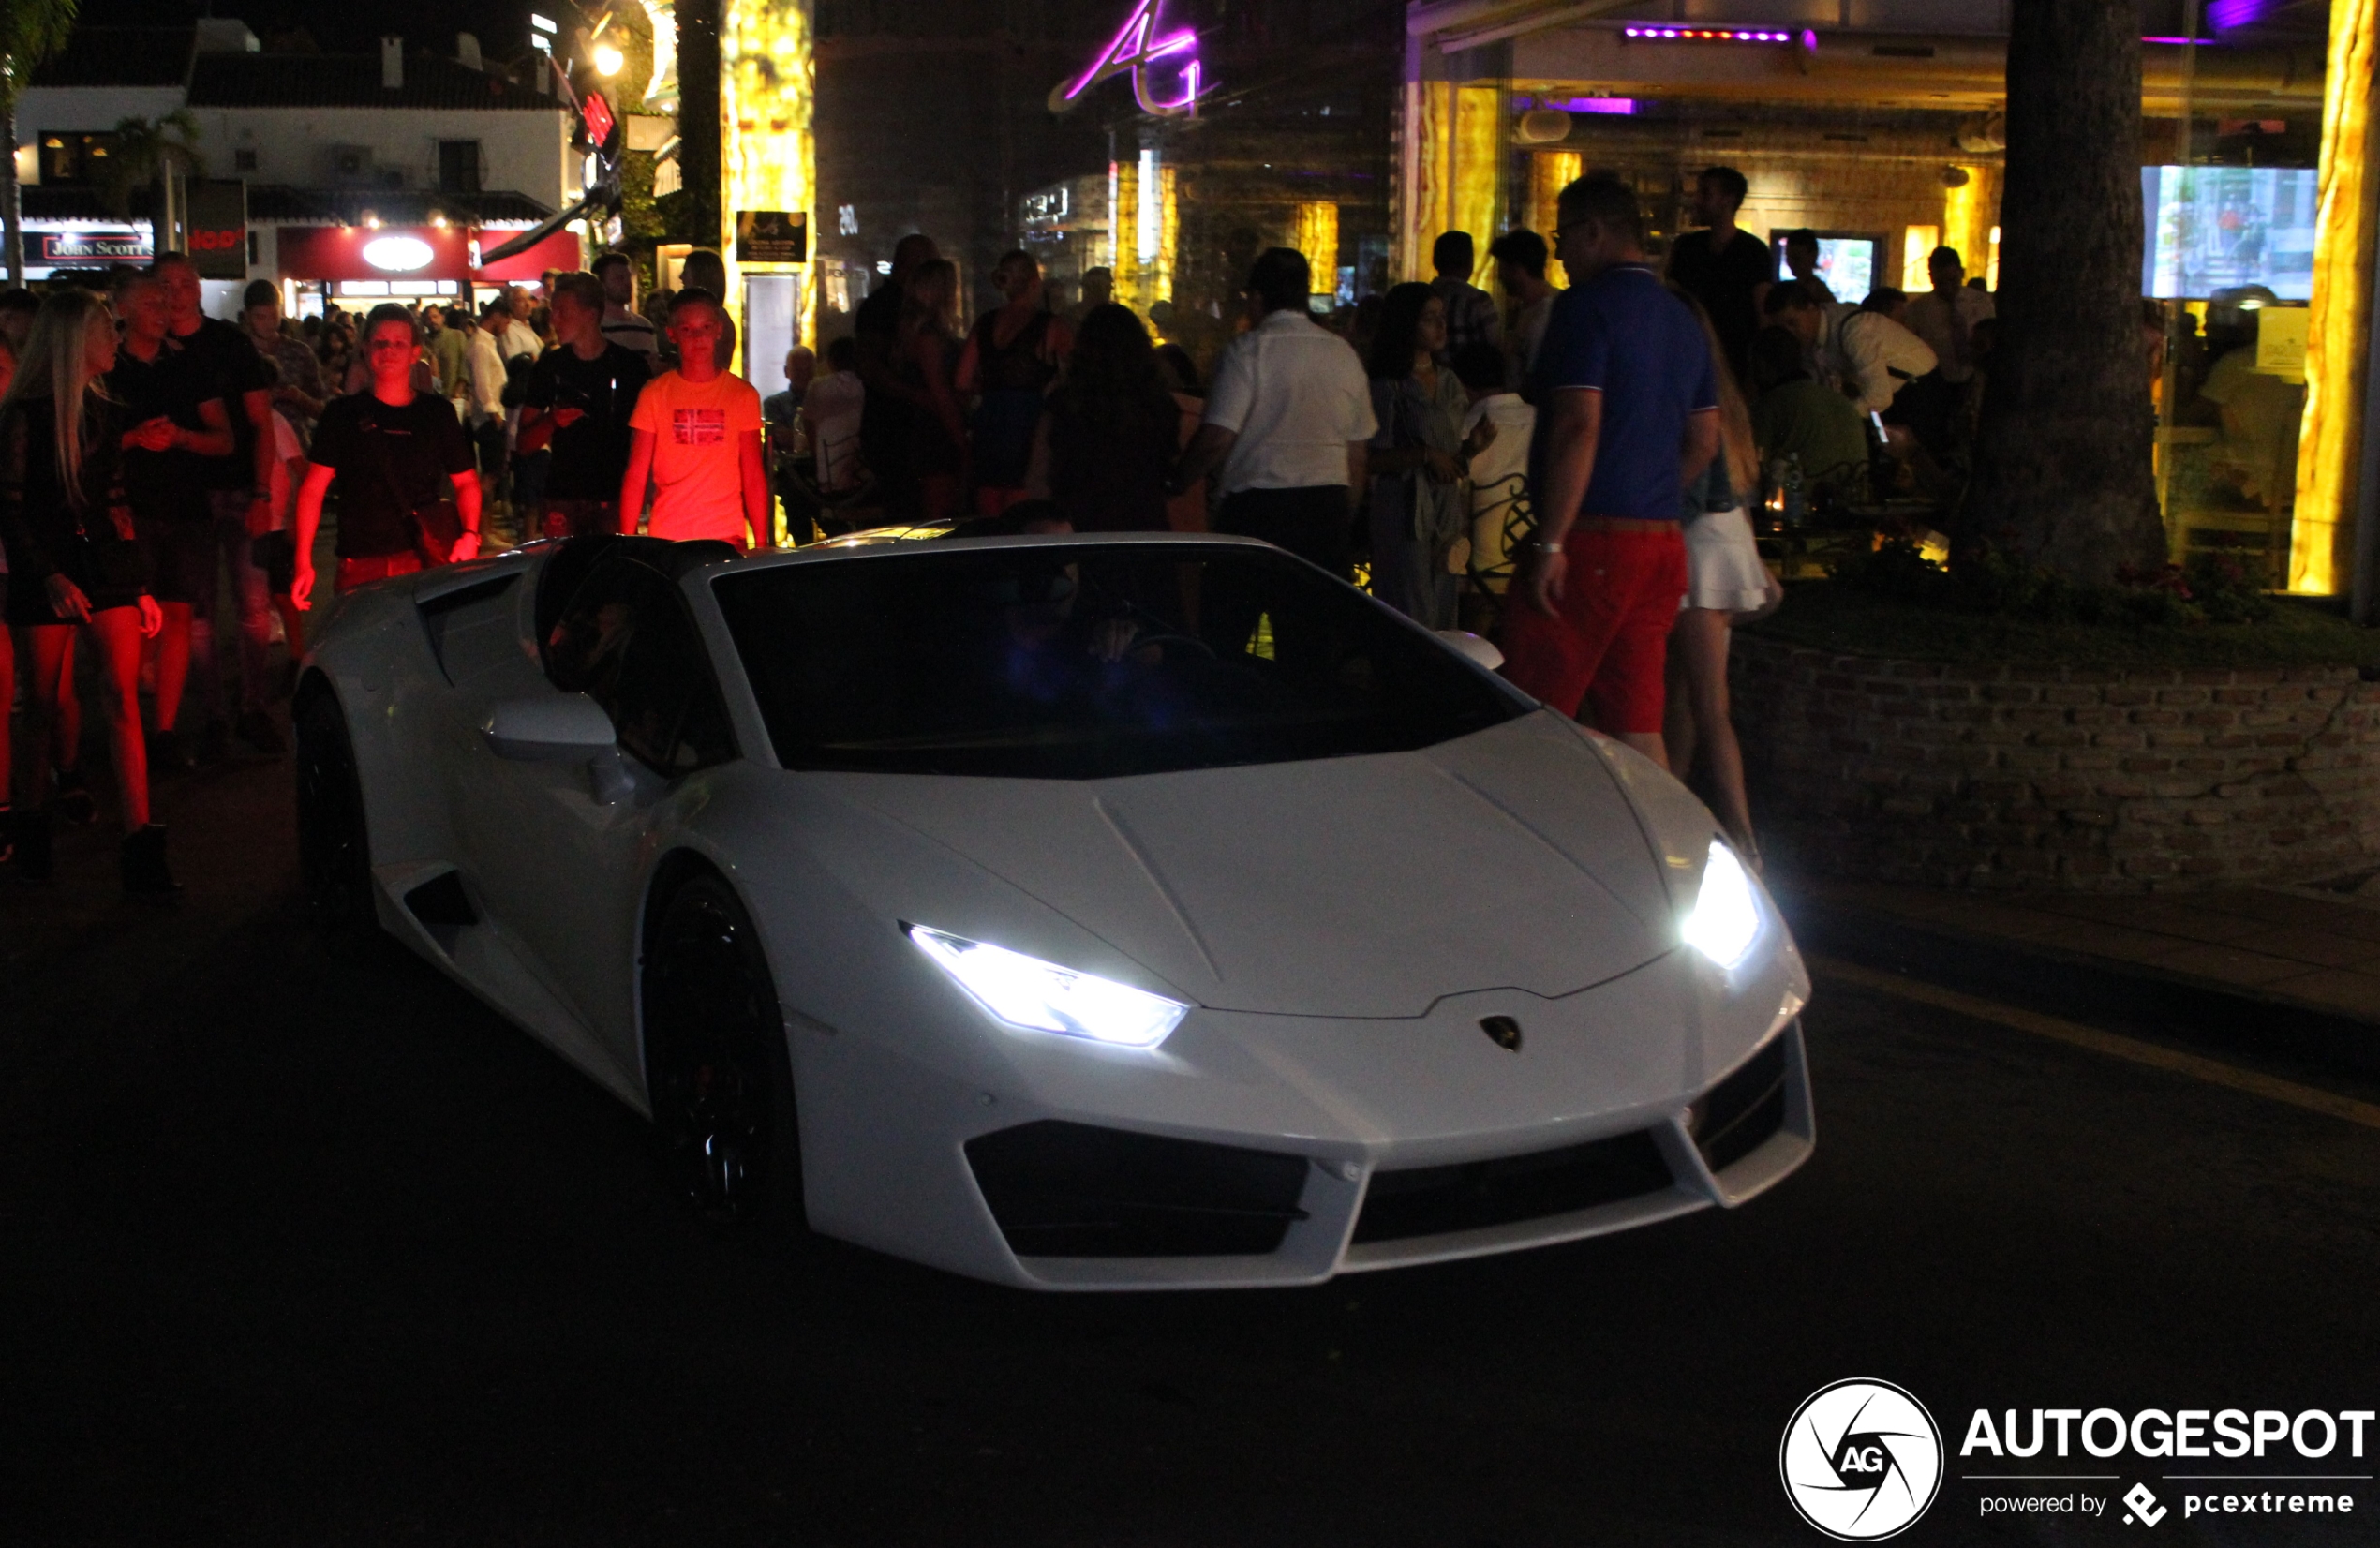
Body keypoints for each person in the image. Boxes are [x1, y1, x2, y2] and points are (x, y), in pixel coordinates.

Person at [1501, 173, 1718, 770]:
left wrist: (1551, 540)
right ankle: (1658, 851)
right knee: (1637, 722)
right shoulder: (1682, 319)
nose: (1560, 254)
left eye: (1562, 236)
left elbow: (1578, 425)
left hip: (1591, 539)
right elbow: (1704, 439)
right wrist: (1650, 487)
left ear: (1594, 232)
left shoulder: (1584, 309)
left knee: (1529, 712)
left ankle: (1529, 851)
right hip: (1660, 542)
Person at [0, 289, 172, 889]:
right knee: (39, 702)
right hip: (47, 566)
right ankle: (30, 830)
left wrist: (137, 583)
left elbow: (115, 500)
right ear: (77, 341)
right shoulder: (25, 416)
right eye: (107, 329)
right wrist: (46, 574)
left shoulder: (103, 409)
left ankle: (141, 844)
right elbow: (12, 506)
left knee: (122, 696)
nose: (117, 338)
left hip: (104, 566)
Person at [1169, 248, 1375, 655]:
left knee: (1223, 642)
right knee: (1311, 651)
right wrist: (1341, 517)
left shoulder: (1248, 352)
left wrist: (1177, 481)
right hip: (1325, 512)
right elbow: (1357, 454)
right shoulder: (1343, 355)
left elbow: (1216, 438)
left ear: (1257, 298)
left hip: (1257, 514)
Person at [1666, 301, 1777, 867]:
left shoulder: (1685, 386)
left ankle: (1742, 837)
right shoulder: (1727, 396)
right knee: (1691, 695)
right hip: (1728, 543)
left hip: (1701, 547)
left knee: (1705, 702)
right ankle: (1677, 812)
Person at [157, 251, 281, 759]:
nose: (177, 291)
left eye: (185, 281)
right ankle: (213, 714)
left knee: (253, 606)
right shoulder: (146, 351)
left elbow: (261, 424)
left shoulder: (229, 345)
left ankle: (251, 707)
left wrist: (262, 491)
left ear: (197, 286)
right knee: (198, 612)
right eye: (165, 284)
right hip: (181, 500)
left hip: (234, 489)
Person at [112, 268, 235, 775]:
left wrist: (181, 438)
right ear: (120, 308)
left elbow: (224, 438)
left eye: (166, 303)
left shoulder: (188, 368)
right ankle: (128, 725)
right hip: (126, 508)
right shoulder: (104, 367)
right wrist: (133, 438)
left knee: (180, 614)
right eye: (150, 304)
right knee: (130, 622)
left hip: (184, 505)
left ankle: (161, 730)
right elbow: (83, 448)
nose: (163, 313)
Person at [292, 304, 483, 606]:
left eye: (399, 343)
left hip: (422, 557)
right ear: (366, 349)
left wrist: (470, 534)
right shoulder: (342, 415)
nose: (389, 351)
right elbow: (313, 489)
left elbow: (466, 482)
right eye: (381, 343)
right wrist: (303, 559)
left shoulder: (437, 414)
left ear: (414, 352)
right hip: (359, 561)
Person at [1364, 282, 1487, 629]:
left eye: (1442, 318)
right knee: (1410, 604)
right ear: (1407, 325)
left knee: (1444, 596)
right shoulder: (1389, 385)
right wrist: (1422, 454)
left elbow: (1451, 460)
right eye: (1429, 319)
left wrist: (1470, 449)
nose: (1441, 327)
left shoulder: (1449, 382)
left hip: (1445, 506)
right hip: (1404, 508)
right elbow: (1370, 458)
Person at [617, 288, 769, 547]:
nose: (698, 337)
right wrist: (626, 541)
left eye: (706, 327)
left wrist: (762, 543)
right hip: (667, 538)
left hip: (727, 537)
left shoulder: (742, 395)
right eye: (687, 329)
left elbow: (753, 473)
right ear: (672, 334)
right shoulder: (655, 394)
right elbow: (636, 473)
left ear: (718, 330)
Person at [517, 271, 651, 540]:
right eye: (553, 312)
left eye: (562, 312)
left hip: (614, 493)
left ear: (590, 314)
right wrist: (552, 421)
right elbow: (523, 443)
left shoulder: (629, 368)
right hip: (564, 494)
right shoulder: (550, 367)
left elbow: (648, 437)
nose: (553, 320)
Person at [1032, 303, 1179, 533]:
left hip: (1083, 530)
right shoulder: (1160, 405)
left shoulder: (1066, 403)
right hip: (1147, 530)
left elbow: (1037, 476)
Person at [957, 250, 1069, 515]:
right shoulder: (1050, 326)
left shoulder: (984, 324)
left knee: (990, 512)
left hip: (990, 424)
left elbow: (961, 381)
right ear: (1034, 282)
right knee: (1023, 514)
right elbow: (1077, 376)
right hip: (1030, 426)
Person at [855, 233, 939, 520]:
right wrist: (921, 397)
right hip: (894, 426)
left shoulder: (892, 305)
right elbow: (871, 367)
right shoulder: (883, 308)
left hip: (899, 424)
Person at [1665, 166, 1773, 380]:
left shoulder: (1753, 252)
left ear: (1727, 199)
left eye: (1705, 193)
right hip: (1692, 358)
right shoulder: (1687, 247)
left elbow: (1763, 316)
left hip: (1732, 365)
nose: (1696, 200)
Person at [1747, 325, 1870, 504]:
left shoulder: (1770, 405)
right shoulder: (1841, 401)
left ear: (1761, 365)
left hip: (1803, 511)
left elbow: (1753, 467)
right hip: (1856, 504)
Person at [1452, 340, 1534, 599]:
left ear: (1460, 385)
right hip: (1534, 562)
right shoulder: (1543, 421)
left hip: (1480, 573)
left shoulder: (1464, 430)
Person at [897, 258, 969, 521]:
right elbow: (940, 393)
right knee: (938, 514)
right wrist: (961, 438)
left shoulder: (916, 333)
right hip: (935, 431)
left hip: (925, 427)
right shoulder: (929, 337)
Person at [244, 280, 326, 448]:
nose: (268, 324)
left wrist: (299, 397)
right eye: (260, 317)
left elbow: (322, 410)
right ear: (247, 315)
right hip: (252, 450)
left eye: (274, 316)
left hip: (296, 447)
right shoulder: (238, 354)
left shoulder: (299, 352)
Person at [1490, 229, 1557, 388]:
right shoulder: (1527, 308)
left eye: (1502, 267)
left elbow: (1534, 379)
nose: (1499, 276)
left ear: (1516, 269)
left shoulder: (1543, 315)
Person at [802, 335, 866, 493]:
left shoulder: (817, 386)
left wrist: (817, 456)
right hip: (866, 482)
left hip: (830, 482)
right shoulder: (867, 385)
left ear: (830, 361)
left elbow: (808, 424)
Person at [1428, 231, 1499, 359]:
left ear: (1435, 261)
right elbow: (1494, 345)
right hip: (1469, 377)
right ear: (1470, 262)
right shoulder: (1478, 301)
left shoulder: (1422, 297)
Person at [593, 252, 661, 362]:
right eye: (619, 278)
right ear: (602, 284)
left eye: (628, 278)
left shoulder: (644, 326)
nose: (627, 284)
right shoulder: (595, 329)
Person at [677, 250, 738, 371]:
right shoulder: (718, 315)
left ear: (699, 276)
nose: (681, 277)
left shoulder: (712, 317)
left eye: (686, 272)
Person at [424, 303, 470, 400]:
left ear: (442, 318)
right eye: (429, 318)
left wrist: (458, 391)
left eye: (435, 316)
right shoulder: (424, 341)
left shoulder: (457, 336)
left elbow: (464, 366)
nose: (432, 320)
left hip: (454, 396)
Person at [1779, 229, 1836, 303]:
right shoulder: (1788, 289)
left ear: (1813, 256)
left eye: (1796, 258)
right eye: (1788, 257)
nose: (1791, 262)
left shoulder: (1820, 292)